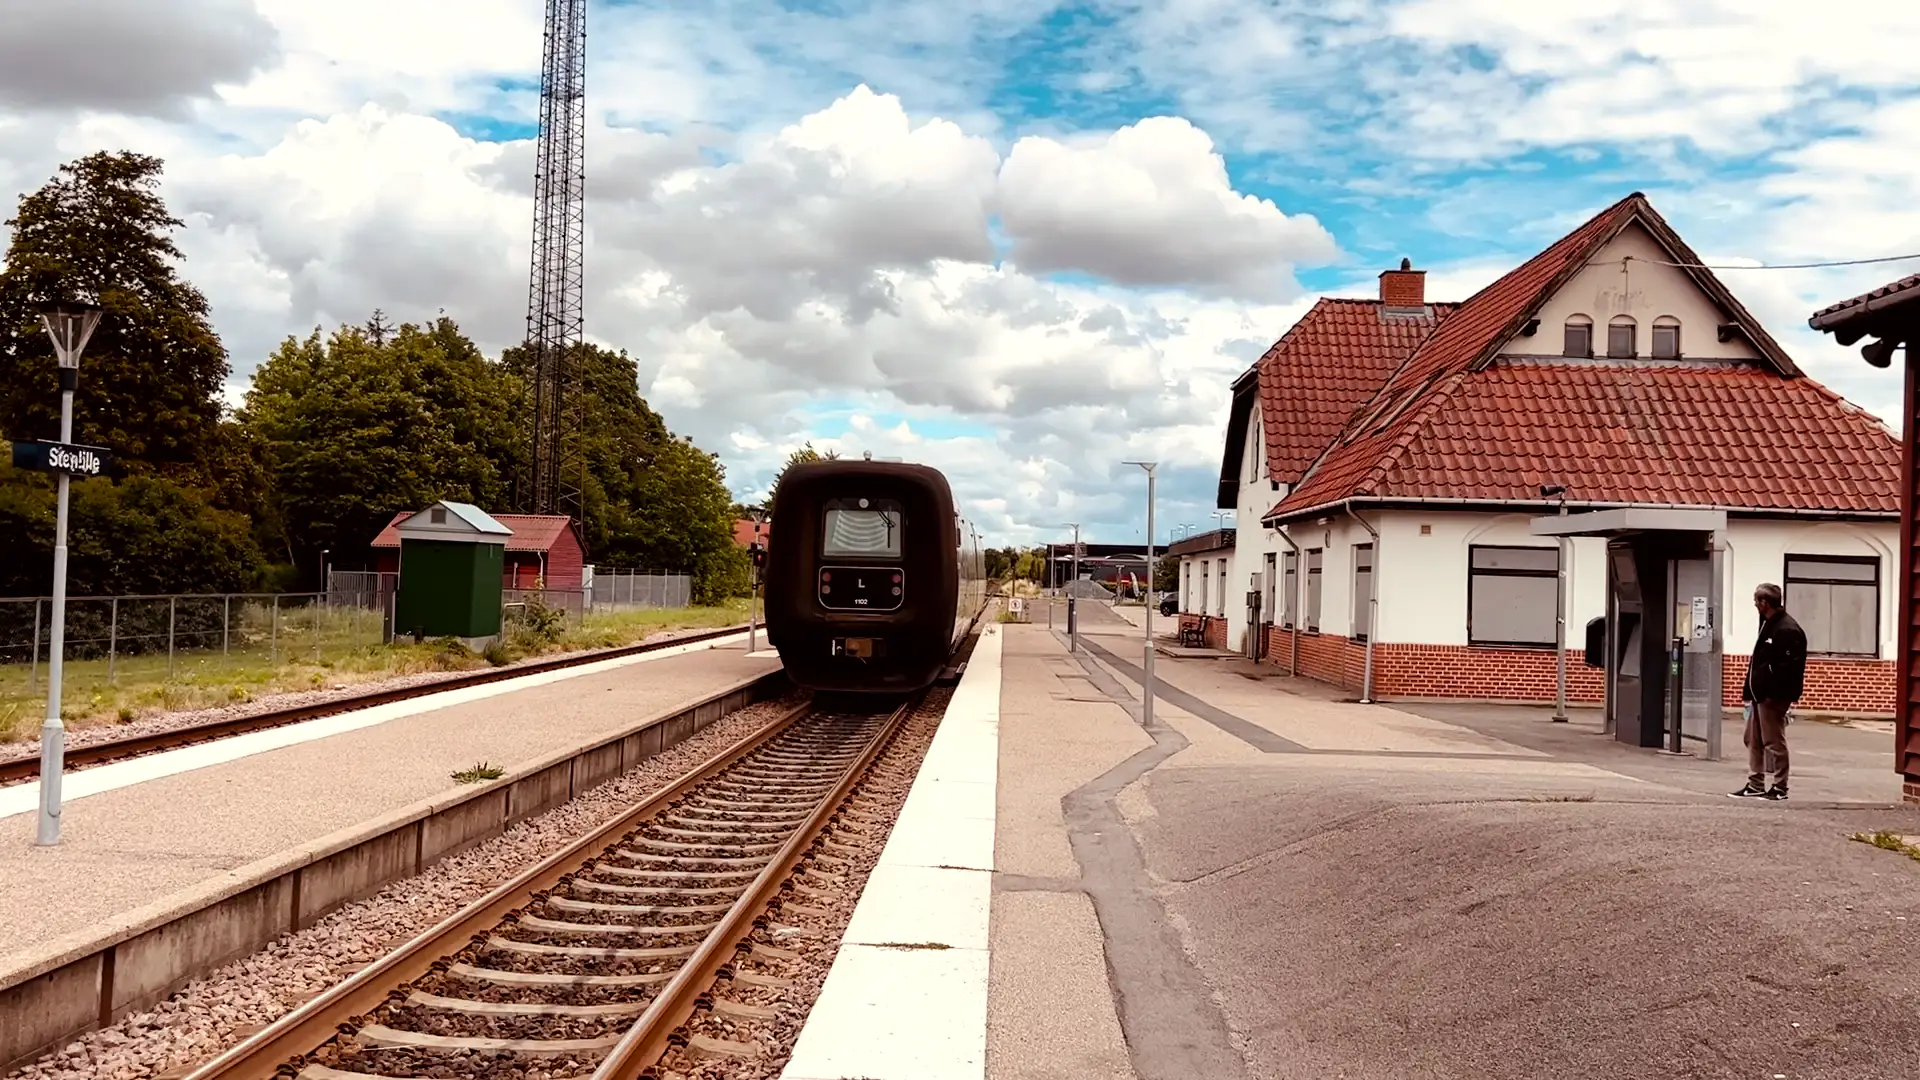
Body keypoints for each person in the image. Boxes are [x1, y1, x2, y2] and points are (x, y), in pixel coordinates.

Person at [1730, 583, 1805, 801]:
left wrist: (1774, 694)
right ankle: (1755, 783)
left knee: (1773, 741)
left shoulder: (1786, 629)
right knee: (1752, 739)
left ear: (1764, 603)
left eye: (1756, 601)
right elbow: (1760, 663)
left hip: (1772, 696)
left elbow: (1789, 668)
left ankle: (1780, 787)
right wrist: (1750, 691)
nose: (1755, 605)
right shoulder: (1768, 624)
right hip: (1759, 693)